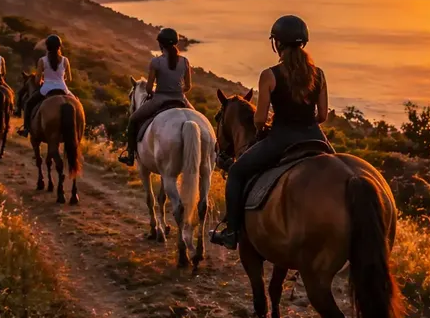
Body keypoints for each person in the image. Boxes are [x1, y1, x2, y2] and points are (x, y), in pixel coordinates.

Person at [210, 15, 332, 250]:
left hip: (282, 139)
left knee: (236, 172)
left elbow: (258, 119)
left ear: (277, 43)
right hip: (315, 138)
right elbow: (323, 116)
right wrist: (307, 122)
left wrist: (262, 128)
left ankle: (232, 231)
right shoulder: (320, 74)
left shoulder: (270, 75)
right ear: (303, 42)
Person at [118, 28, 195, 166]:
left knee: (133, 120)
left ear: (160, 44)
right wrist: (177, 90)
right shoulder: (185, 61)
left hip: (160, 99)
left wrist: (156, 92)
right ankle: (214, 152)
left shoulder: (156, 62)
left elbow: (148, 88)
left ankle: (130, 155)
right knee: (200, 120)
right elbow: (188, 86)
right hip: (181, 99)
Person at [18, 34, 72, 136]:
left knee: (29, 104)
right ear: (59, 47)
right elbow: (69, 79)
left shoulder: (42, 60)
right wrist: (60, 79)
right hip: (63, 89)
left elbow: (37, 81)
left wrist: (44, 79)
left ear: (47, 47)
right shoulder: (65, 60)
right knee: (77, 104)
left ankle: (26, 129)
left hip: (46, 89)